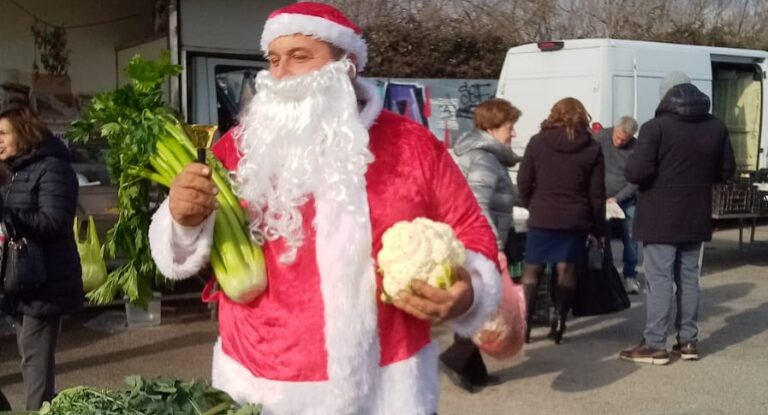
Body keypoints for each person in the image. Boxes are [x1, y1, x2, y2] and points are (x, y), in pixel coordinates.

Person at [148, 3, 501, 414]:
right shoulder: (235, 149)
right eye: (274, 60)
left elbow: (473, 230)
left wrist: (468, 293)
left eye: (300, 57)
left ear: (346, 65)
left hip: (389, 390)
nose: (280, 74)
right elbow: (185, 250)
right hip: (264, 388)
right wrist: (181, 220)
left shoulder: (413, 146)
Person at [619, 72, 735, 365]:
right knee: (688, 280)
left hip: (659, 217)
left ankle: (655, 343)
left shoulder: (655, 128)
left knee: (658, 281)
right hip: (696, 215)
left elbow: (637, 173)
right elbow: (726, 172)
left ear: (665, 96)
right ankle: (688, 341)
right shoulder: (716, 127)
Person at [0, 105, 82, 410]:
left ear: (24, 132)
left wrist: (8, 216)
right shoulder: (18, 170)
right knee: (31, 359)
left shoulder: (53, 168)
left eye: (3, 133)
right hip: (21, 281)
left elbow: (54, 222)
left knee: (35, 366)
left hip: (45, 280)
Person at [441, 98, 521, 392]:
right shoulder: (484, 158)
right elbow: (478, 203)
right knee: (481, 305)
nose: (513, 133)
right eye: (510, 127)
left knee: (478, 304)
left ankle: (474, 370)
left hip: (475, 238)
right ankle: (456, 358)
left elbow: (503, 193)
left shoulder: (486, 155)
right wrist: (493, 245)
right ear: (491, 127)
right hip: (479, 242)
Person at [517, 97, 605, 344]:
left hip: (543, 215)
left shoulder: (537, 142)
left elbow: (523, 181)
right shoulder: (592, 148)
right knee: (566, 269)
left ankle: (525, 323)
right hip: (575, 218)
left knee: (532, 269)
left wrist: (532, 205)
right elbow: (597, 194)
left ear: (554, 114)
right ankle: (559, 320)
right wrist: (598, 227)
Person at [596, 116, 641, 294]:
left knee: (630, 238)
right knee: (602, 238)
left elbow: (636, 179)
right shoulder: (601, 138)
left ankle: (630, 275)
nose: (619, 141)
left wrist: (618, 198)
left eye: (624, 140)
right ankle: (606, 275)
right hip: (601, 197)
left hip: (625, 198)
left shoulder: (636, 148)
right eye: (618, 137)